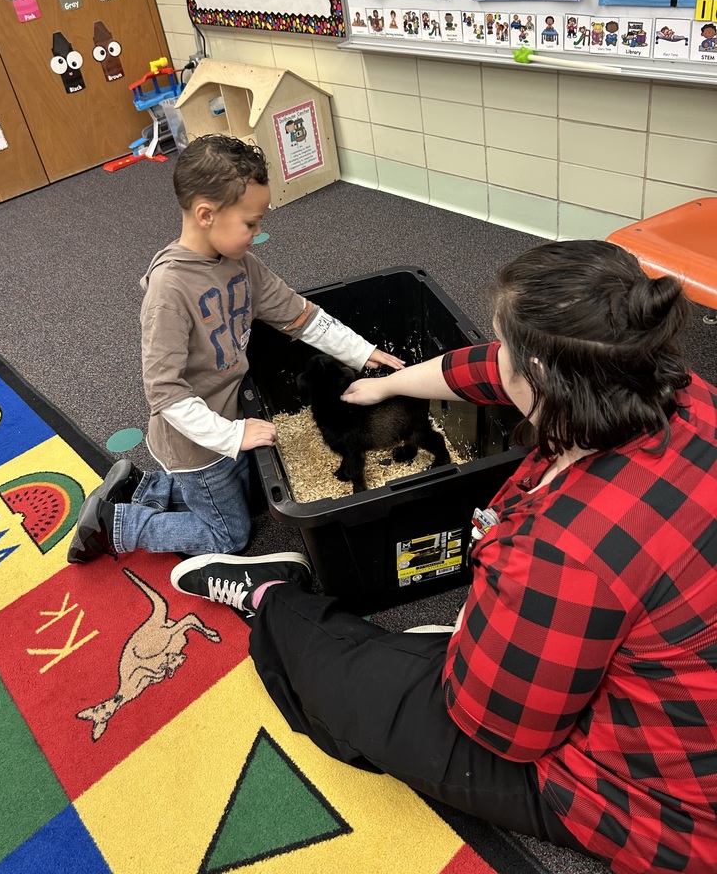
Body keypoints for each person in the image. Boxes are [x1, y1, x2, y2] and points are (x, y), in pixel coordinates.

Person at [170, 240, 717, 874]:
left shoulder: (562, 550)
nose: (495, 355)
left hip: (660, 806)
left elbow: (501, 731)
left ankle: (273, 599)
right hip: (663, 682)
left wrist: (475, 645)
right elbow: (490, 370)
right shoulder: (684, 393)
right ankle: (477, 643)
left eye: (505, 345)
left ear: (540, 373)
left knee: (358, 691)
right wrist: (387, 384)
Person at [67, 134, 402, 564]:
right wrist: (232, 435)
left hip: (229, 416)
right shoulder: (169, 292)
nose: (258, 233)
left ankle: (144, 487)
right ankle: (117, 523)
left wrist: (362, 352)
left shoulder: (240, 264)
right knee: (230, 533)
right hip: (197, 448)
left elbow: (299, 314)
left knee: (254, 495)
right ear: (206, 215)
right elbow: (164, 393)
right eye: (250, 223)